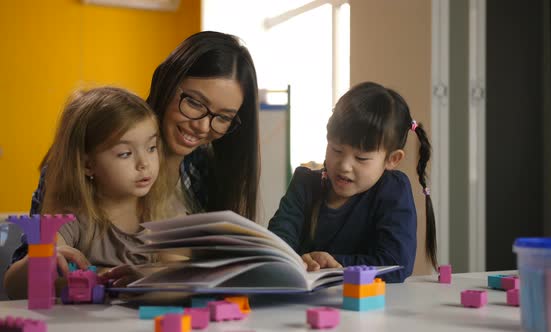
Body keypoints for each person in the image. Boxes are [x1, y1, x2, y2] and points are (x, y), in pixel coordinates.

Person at [8, 31, 261, 285]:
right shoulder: (89, 154)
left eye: (223, 117)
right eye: (195, 103)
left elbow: (185, 276)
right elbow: (32, 274)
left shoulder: (201, 176)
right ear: (168, 82)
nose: (204, 127)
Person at [4, 87, 170, 299]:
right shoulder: (71, 217)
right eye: (125, 153)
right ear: (87, 165)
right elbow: (15, 289)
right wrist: (40, 260)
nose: (144, 164)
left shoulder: (161, 212)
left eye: (151, 147)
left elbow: (183, 277)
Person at [268, 82, 437, 283]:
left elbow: (396, 264)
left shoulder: (392, 190)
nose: (344, 165)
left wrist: (329, 264)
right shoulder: (304, 184)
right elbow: (275, 248)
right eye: (336, 150)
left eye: (361, 158)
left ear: (392, 159)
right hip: (301, 307)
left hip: (373, 308)